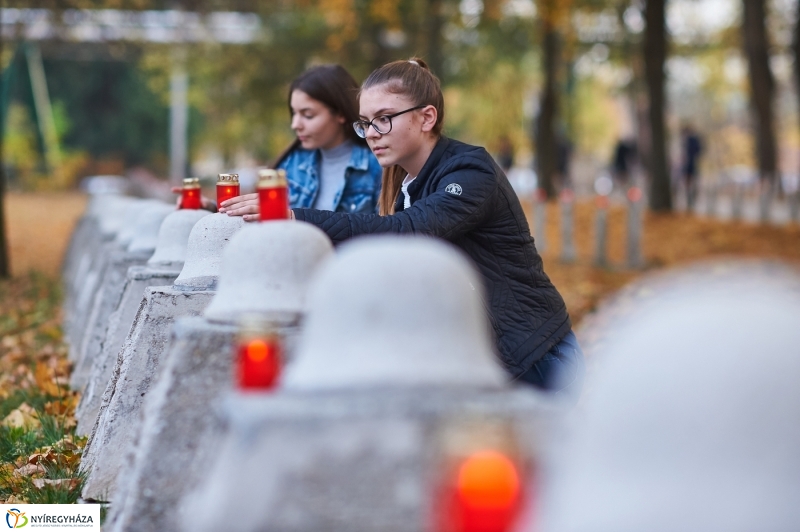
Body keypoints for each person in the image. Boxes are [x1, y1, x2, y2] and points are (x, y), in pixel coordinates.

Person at [290, 58, 583, 397]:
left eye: (383, 119)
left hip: (534, 359)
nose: (370, 133)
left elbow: (406, 232)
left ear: (427, 117)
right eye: (366, 123)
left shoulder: (471, 172)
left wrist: (296, 217)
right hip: (480, 364)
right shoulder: (409, 186)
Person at [195, 65, 382, 218]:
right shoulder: (291, 164)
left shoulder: (378, 166)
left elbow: (382, 231)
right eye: (294, 113)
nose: (295, 124)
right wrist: (212, 208)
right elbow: (259, 214)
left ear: (340, 114)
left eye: (308, 115)